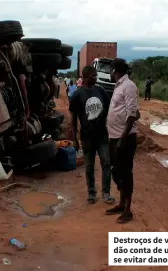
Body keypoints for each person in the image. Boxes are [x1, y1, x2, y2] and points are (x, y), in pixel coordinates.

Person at [70, 66, 114, 205]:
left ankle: (106, 193)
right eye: (93, 76)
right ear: (85, 77)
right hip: (86, 137)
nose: (95, 78)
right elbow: (73, 118)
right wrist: (74, 138)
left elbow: (108, 109)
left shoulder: (101, 91)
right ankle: (91, 193)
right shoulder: (77, 95)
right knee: (89, 166)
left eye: (95, 76)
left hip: (102, 136)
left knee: (106, 163)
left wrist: (104, 122)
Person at [105, 58, 140, 224]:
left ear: (114, 70)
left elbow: (132, 114)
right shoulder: (119, 85)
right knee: (116, 171)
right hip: (114, 136)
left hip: (123, 138)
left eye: (110, 69)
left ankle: (127, 210)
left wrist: (123, 138)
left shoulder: (129, 86)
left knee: (125, 173)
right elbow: (130, 110)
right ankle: (120, 204)